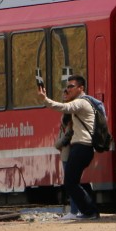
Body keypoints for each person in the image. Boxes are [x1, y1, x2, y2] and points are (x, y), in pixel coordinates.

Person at [38, 75, 100, 221]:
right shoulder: (83, 102)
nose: (68, 89)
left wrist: (45, 99)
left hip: (82, 147)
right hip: (82, 148)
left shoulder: (81, 103)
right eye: (67, 86)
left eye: (71, 86)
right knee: (73, 181)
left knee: (70, 182)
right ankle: (88, 211)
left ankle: (90, 211)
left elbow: (64, 107)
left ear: (81, 88)